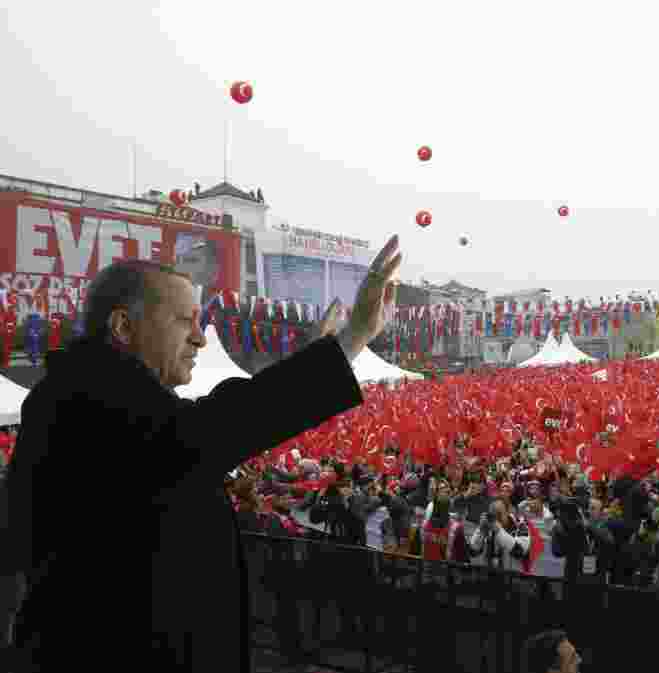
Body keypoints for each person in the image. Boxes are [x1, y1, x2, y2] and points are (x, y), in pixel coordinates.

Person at [0, 234, 402, 671]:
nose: (200, 339)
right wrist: (353, 338)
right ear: (123, 326)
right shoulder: (84, 401)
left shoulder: (90, 397)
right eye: (184, 321)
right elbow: (216, 426)